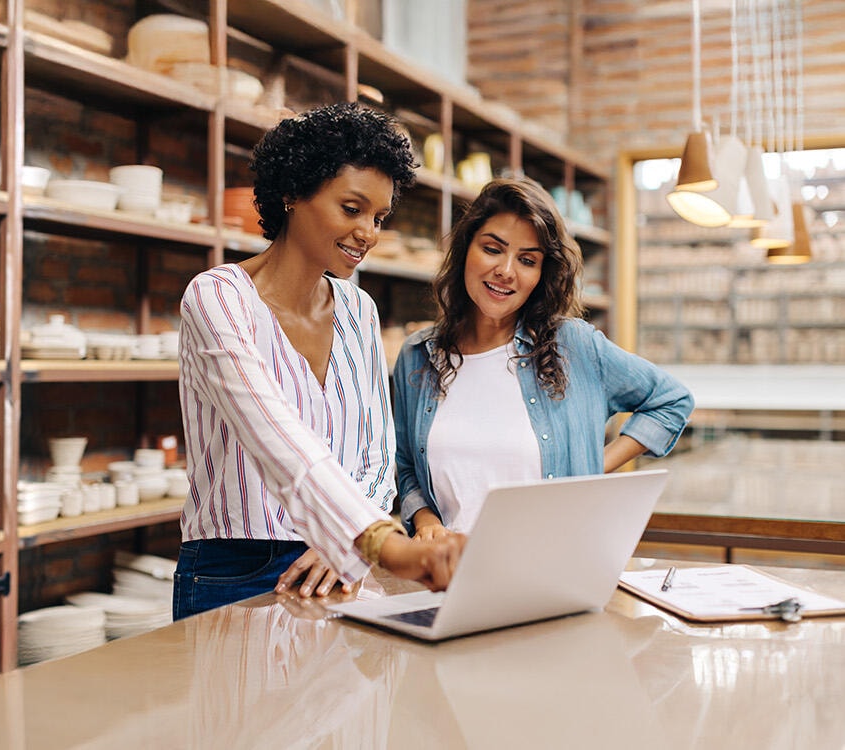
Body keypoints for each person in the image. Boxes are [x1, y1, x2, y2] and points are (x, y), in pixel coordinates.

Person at [175, 102, 466, 620]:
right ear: (292, 192)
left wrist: (346, 545)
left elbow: (377, 451)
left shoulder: (359, 308)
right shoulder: (218, 298)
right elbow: (273, 434)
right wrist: (374, 540)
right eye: (352, 209)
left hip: (343, 570)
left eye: (379, 218)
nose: (368, 233)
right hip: (235, 569)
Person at [394, 178, 694, 539]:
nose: (506, 271)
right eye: (492, 249)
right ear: (465, 250)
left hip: (554, 562)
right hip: (449, 568)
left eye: (527, 260)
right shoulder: (418, 356)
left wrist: (590, 470)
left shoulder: (573, 345)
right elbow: (407, 465)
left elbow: (671, 401)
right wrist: (425, 520)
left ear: (541, 274)